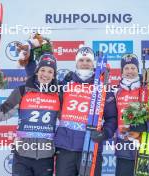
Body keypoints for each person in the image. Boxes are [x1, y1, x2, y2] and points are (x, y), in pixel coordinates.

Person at [0, 54, 60, 176]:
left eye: (50, 71)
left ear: (54, 75)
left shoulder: (58, 96)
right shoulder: (22, 91)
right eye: (42, 70)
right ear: (36, 71)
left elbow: (66, 120)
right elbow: (2, 114)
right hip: (22, 156)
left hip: (46, 158)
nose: (45, 74)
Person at [54, 46, 117, 176]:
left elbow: (112, 117)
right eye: (81, 60)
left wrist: (104, 133)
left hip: (90, 147)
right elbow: (43, 88)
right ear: (76, 62)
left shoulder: (102, 87)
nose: (84, 63)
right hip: (65, 148)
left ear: (93, 63)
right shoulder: (65, 84)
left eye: (88, 60)